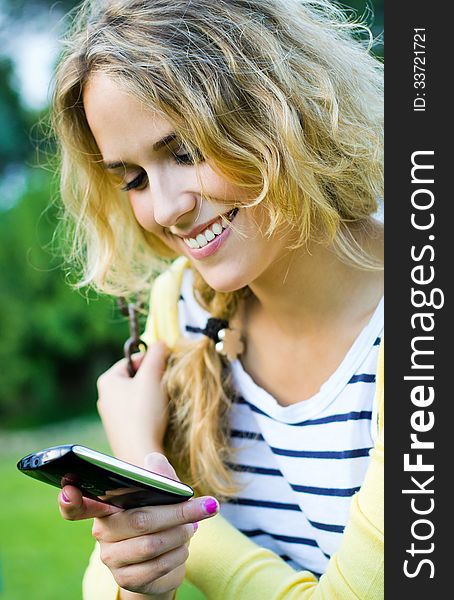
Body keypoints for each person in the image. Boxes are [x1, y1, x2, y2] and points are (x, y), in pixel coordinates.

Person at [51, 0, 384, 598]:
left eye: (186, 152)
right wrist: (140, 542)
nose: (164, 207)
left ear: (279, 108)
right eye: (133, 177)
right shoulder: (183, 308)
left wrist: (146, 469)